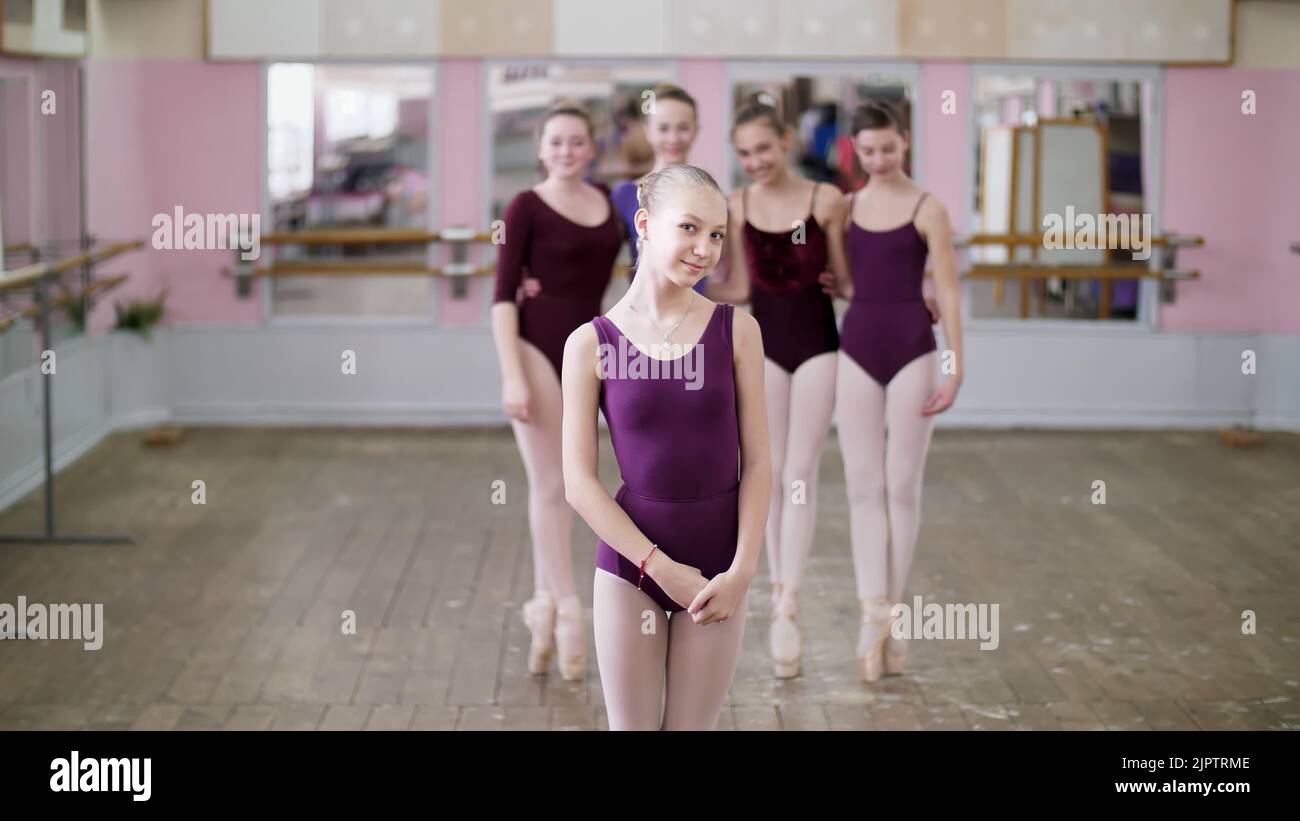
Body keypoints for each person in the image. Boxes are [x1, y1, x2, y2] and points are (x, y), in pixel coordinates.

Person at [561, 164, 771, 729]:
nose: (705, 248)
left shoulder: (738, 331)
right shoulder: (590, 344)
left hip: (719, 571)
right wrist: (660, 568)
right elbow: (578, 484)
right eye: (690, 228)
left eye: (717, 234)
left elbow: (759, 465)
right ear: (646, 225)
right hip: (633, 565)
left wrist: (743, 571)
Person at [706, 100, 849, 679]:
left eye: (763, 148)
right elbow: (738, 283)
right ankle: (772, 594)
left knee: (800, 473)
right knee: (763, 469)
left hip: (818, 344)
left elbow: (845, 279)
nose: (754, 161)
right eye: (743, 153)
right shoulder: (735, 204)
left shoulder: (826, 201)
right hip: (762, 349)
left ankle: (789, 600)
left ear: (786, 140)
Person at [826, 100, 964, 682]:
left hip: (912, 347)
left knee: (902, 487)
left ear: (904, 142)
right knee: (862, 487)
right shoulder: (846, 208)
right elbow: (845, 281)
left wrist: (955, 368)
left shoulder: (929, 208)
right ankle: (870, 617)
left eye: (889, 148)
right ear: (854, 149)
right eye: (869, 150)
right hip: (856, 345)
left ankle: (895, 614)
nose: (880, 159)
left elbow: (950, 295)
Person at [490, 101, 622, 681]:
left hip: (588, 352)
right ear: (540, 149)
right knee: (553, 485)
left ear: (591, 148)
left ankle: (542, 606)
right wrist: (511, 373)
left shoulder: (610, 203)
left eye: (576, 142)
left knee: (579, 481)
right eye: (556, 142)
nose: (566, 151)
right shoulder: (525, 205)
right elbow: (500, 296)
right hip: (535, 348)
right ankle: (570, 612)